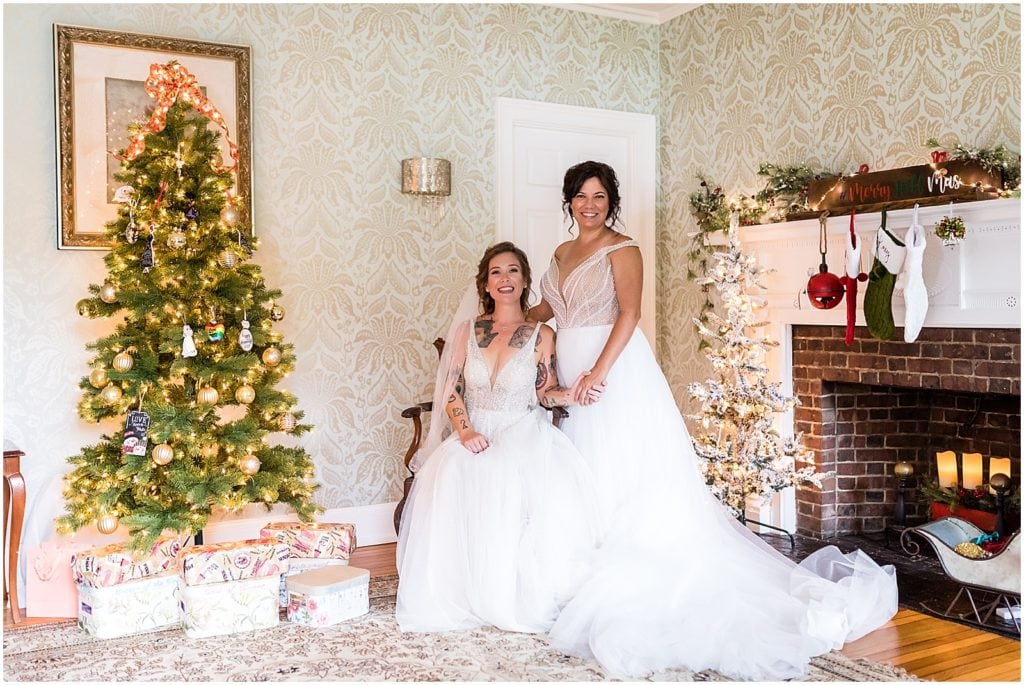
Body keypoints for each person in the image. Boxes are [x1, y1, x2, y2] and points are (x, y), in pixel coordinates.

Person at [530, 161, 898, 681]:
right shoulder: (561, 252)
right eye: (580, 196)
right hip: (568, 371)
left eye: (599, 196)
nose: (589, 205)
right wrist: (510, 316)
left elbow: (629, 314)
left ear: (611, 201)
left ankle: (632, 577)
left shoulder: (623, 248)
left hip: (610, 372)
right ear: (569, 201)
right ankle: (580, 572)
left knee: (622, 468)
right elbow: (550, 306)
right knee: (584, 472)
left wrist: (597, 372)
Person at [396, 241, 604, 634]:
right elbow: (452, 390)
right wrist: (466, 430)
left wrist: (575, 393)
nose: (504, 279)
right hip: (474, 430)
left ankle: (507, 593)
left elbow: (546, 393)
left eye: (512, 271)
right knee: (453, 467)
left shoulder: (541, 334)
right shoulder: (466, 332)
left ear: (525, 281)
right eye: (496, 272)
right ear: (485, 285)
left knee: (509, 473)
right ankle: (463, 589)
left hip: (522, 428)